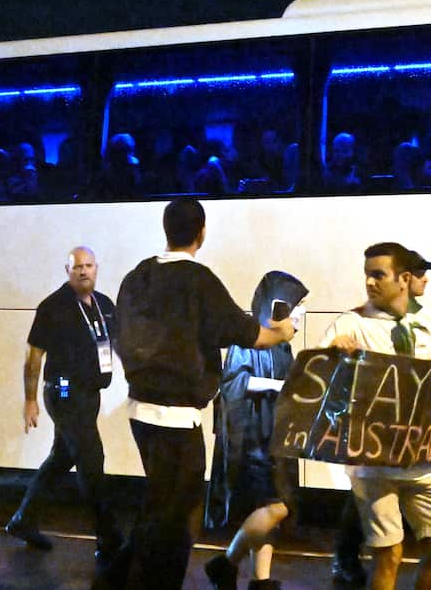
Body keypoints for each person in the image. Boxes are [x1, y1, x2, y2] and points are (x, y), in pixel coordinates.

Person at [100, 197, 296, 588]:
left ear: (166, 229)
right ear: (201, 233)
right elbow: (247, 333)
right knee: (179, 522)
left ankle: (112, 580)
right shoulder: (199, 280)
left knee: (158, 507)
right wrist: (283, 332)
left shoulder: (137, 276)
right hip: (177, 418)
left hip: (140, 411)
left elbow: (120, 334)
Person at [321, 242, 431, 590]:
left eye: (378, 275)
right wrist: (335, 355)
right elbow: (316, 378)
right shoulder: (352, 324)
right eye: (367, 276)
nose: (370, 283)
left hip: (424, 459)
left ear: (404, 279)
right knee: (388, 555)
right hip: (374, 461)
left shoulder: (426, 321)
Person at [7, 246, 122, 563]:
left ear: (97, 268)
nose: (83, 271)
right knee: (91, 460)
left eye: (88, 266)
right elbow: (34, 357)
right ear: (66, 270)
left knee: (61, 458)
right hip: (64, 394)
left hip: (90, 394)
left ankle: (23, 520)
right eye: (77, 267)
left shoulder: (105, 306)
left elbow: (116, 345)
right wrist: (30, 400)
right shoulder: (53, 307)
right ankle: (109, 536)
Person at [203, 271, 309, 590]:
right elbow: (235, 383)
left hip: (274, 436)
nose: (300, 314)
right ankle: (227, 563)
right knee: (275, 506)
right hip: (253, 438)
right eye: (295, 307)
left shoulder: (283, 348)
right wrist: (280, 387)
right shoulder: (247, 341)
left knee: (269, 508)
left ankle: (260, 578)